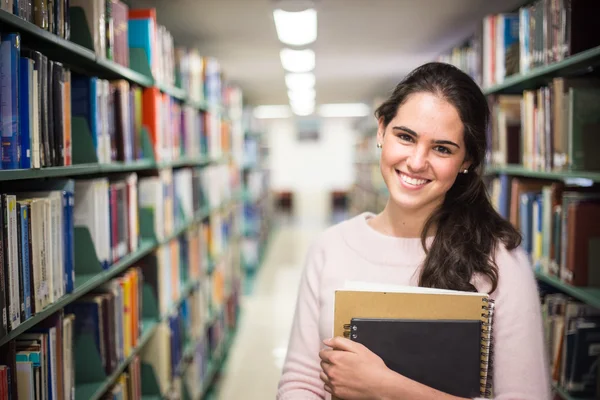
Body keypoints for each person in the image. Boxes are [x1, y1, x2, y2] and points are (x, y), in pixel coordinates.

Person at [275, 62, 551, 400]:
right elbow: (301, 383)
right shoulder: (329, 248)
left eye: (442, 148)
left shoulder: (500, 260)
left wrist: (384, 387)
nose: (417, 162)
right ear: (381, 130)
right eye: (405, 137)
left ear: (467, 160)